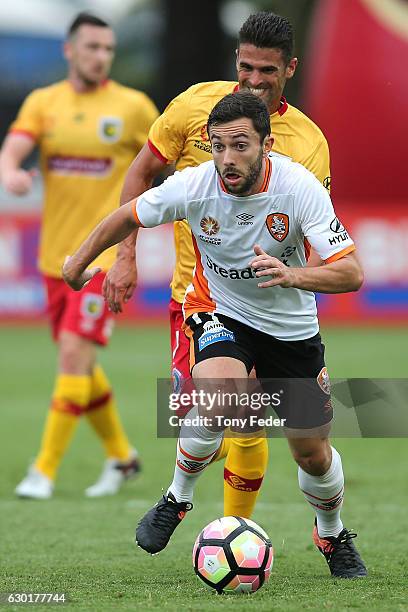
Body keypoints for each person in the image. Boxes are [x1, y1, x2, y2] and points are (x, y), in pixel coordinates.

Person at [62, 91, 367, 578]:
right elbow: (126, 215)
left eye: (241, 145)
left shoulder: (299, 188)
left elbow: (350, 273)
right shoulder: (195, 185)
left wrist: (293, 276)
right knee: (220, 400)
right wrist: (79, 264)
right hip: (219, 309)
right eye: (219, 145)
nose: (227, 158)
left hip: (290, 327)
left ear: (266, 145)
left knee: (311, 453)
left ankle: (331, 532)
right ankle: (176, 498)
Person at [103, 11, 331, 519]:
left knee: (246, 419)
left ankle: (235, 531)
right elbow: (142, 172)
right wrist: (124, 257)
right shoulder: (193, 106)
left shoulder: (309, 143)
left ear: (289, 68)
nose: (253, 81)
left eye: (267, 71)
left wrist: (301, 283)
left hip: (272, 309)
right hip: (197, 299)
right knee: (206, 417)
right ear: (236, 59)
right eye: (246, 67)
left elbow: (318, 238)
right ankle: (208, 511)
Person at [0, 12, 159, 499]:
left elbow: (168, 156)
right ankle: (123, 458)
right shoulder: (44, 102)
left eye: (108, 49)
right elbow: (15, 148)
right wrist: (10, 171)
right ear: (70, 51)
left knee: (72, 358)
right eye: (92, 47)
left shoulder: (133, 107)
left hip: (103, 262)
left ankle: (43, 471)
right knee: (82, 366)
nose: (101, 57)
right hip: (55, 262)